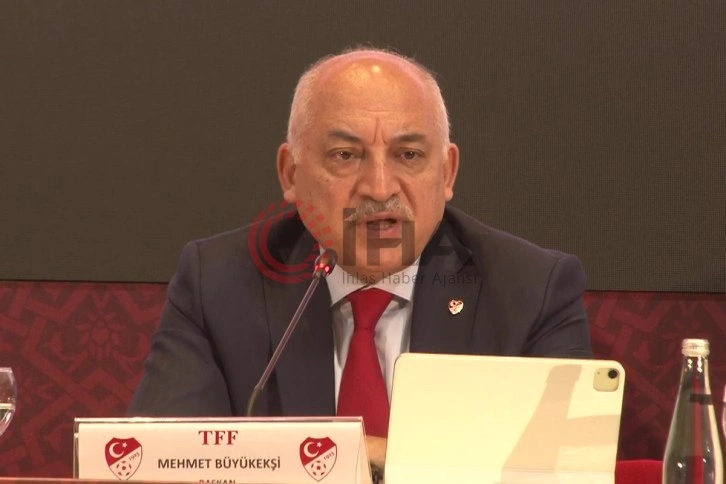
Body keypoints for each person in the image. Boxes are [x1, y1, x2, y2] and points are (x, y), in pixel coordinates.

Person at [128, 47, 592, 477]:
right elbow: (162, 463)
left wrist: (374, 454)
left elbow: (562, 471)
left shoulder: (532, 290)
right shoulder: (217, 281)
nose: (379, 187)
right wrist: (364, 453)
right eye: (346, 155)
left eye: (408, 155)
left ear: (447, 172)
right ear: (291, 174)